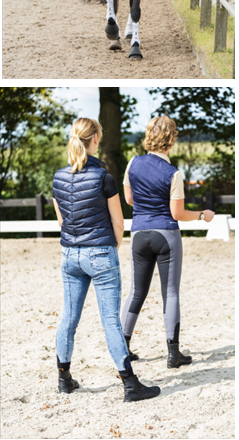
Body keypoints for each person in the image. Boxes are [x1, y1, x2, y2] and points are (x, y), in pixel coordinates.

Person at [52, 118, 160, 402]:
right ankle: (130, 383)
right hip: (100, 252)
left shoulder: (58, 177)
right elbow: (119, 224)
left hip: (69, 255)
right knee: (111, 321)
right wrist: (110, 249)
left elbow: (62, 221)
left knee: (69, 318)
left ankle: (64, 378)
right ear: (96, 139)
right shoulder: (104, 177)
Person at [120, 115, 214, 370]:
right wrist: (201, 215)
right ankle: (173, 354)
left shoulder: (133, 163)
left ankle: (123, 348)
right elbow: (177, 213)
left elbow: (129, 199)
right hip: (166, 235)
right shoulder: (174, 173)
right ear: (171, 140)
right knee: (170, 293)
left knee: (136, 292)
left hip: (139, 234)